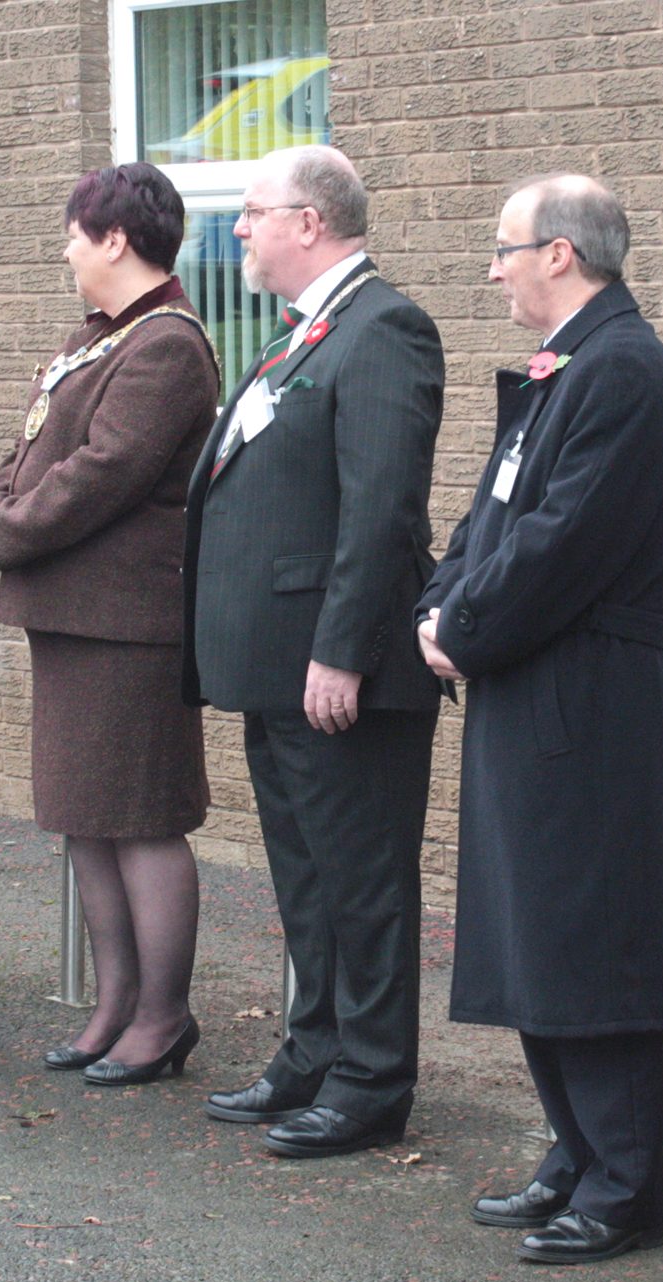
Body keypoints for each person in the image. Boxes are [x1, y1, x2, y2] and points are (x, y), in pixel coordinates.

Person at [415, 175, 663, 1265]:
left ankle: (623, 1179)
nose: (491, 268)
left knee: (593, 940)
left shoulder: (623, 373)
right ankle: (576, 1149)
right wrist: (435, 603)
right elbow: (489, 514)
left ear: (561, 254)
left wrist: (462, 625)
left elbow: (561, 541)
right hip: (526, 689)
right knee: (537, 934)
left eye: (503, 248)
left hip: (583, 704)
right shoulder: (567, 367)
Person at [184, 146, 445, 1158]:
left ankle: (372, 1079)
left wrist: (338, 650)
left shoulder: (383, 329)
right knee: (306, 878)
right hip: (275, 669)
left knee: (362, 882)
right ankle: (313, 1052)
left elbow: (380, 509)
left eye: (251, 213)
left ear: (311, 219)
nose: (238, 230)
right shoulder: (297, 338)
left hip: (341, 674)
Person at [0, 162, 221, 1084]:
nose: (66, 248)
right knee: (87, 818)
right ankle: (114, 1003)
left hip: (129, 624)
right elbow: (33, 446)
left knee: (142, 818)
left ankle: (162, 1016)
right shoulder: (98, 338)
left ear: (117, 237)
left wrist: (6, 534)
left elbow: (104, 471)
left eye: (76, 231)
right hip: (76, 618)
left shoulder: (167, 345)